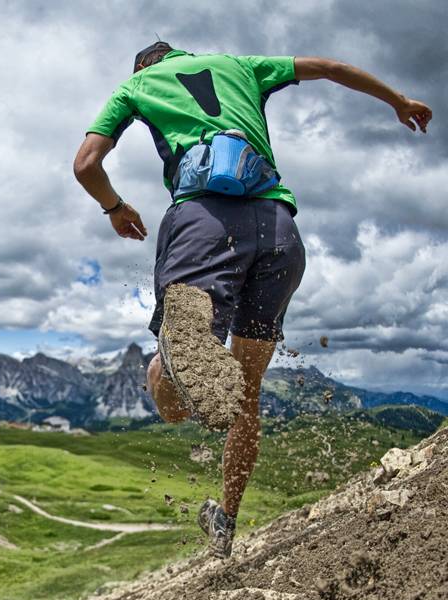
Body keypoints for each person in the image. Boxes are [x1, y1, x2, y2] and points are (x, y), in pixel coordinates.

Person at [74, 42, 432, 558]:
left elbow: (86, 163)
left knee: (169, 390)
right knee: (247, 393)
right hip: (280, 231)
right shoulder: (242, 66)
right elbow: (330, 67)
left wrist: (113, 206)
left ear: (143, 68)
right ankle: (226, 519)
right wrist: (398, 101)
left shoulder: (136, 86)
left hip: (203, 223)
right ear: (182, 54)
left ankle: (183, 349)